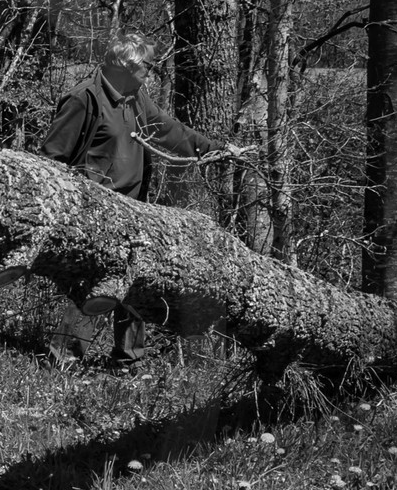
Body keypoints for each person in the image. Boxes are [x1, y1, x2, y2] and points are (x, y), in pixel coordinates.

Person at [41, 32, 253, 368]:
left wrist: (216, 150)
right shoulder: (84, 98)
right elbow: (51, 158)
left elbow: (170, 131)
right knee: (96, 284)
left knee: (136, 281)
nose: (151, 73)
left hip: (135, 209)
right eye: (147, 67)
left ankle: (129, 360)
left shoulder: (135, 98)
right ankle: (62, 359)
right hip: (96, 212)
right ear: (126, 66)